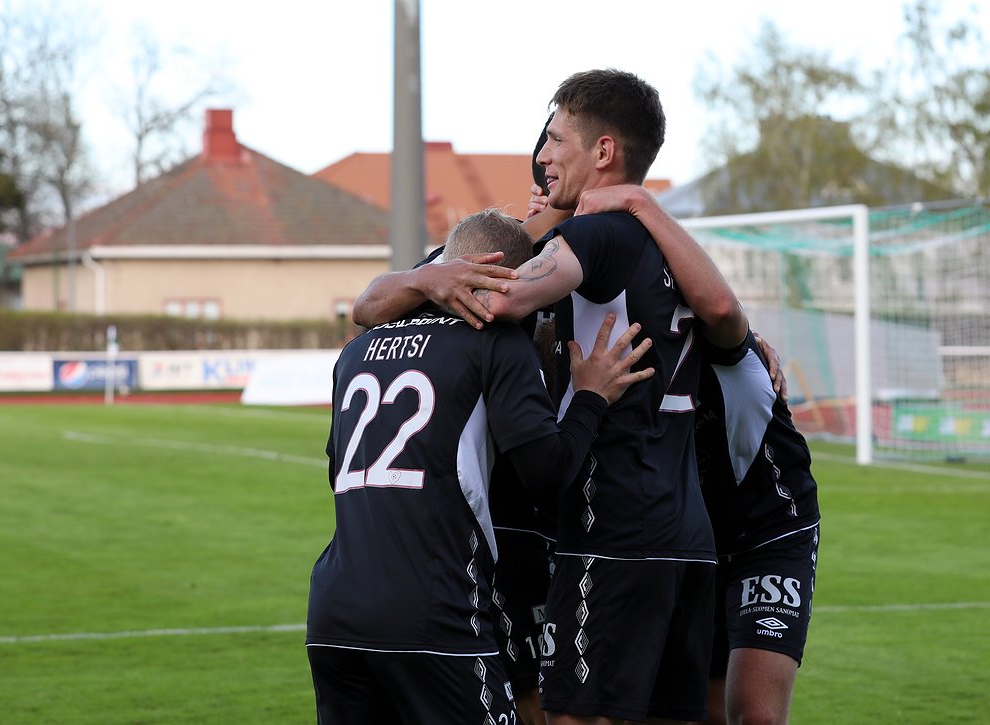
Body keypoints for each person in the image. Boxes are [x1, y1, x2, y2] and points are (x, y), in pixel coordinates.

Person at [466, 69, 745, 725]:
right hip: (686, 534)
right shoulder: (666, 244)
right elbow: (727, 318)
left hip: (611, 533)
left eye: (557, 139)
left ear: (603, 152)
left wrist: (427, 277)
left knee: (576, 716)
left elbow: (500, 296)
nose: (541, 156)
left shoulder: (598, 236)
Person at [305, 208, 655, 724]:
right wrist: (589, 398)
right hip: (435, 614)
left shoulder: (356, 352)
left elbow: (337, 467)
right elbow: (547, 473)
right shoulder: (495, 341)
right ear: (507, 278)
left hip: (333, 617)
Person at [575, 184, 819, 725]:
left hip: (766, 532)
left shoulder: (726, 343)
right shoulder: (615, 356)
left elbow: (722, 307)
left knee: (754, 716)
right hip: (688, 542)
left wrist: (639, 201)